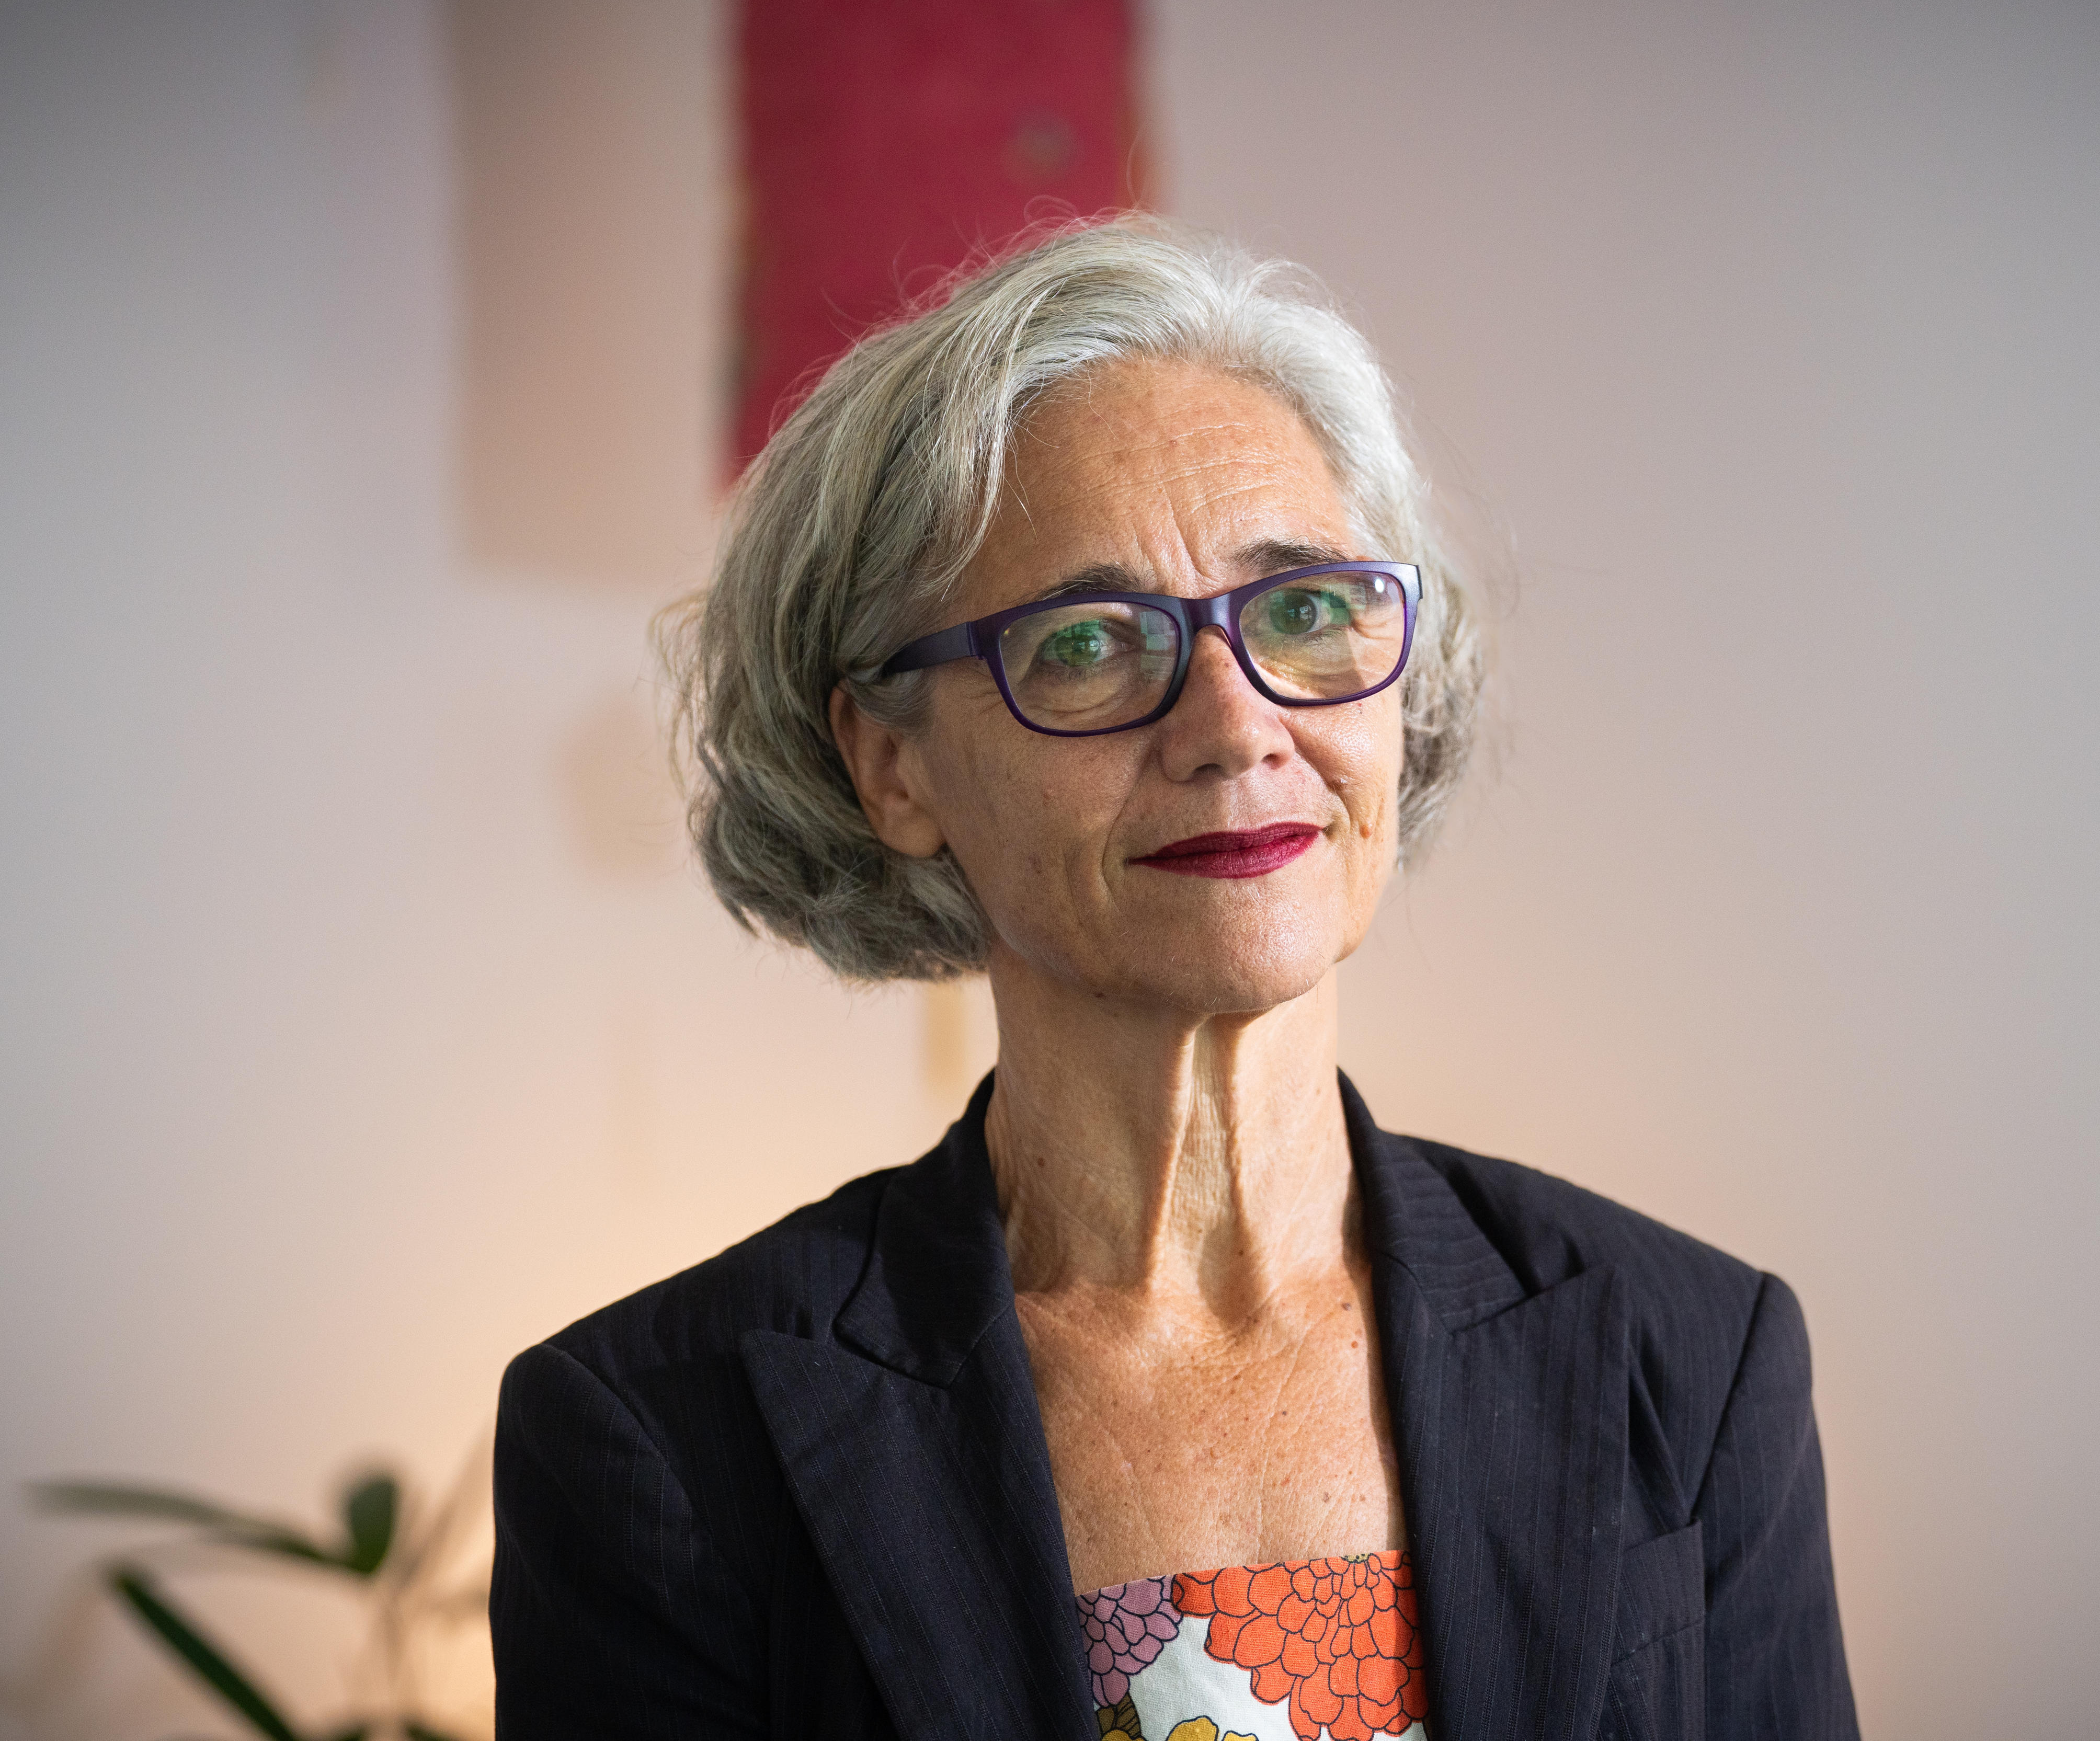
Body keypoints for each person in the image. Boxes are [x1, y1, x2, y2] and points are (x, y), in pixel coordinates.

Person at [489, 217, 1857, 1741]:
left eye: (1309, 609)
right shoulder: (660, 1436)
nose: (1232, 723)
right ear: (892, 765)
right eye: (1088, 641)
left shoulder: (1692, 1355)